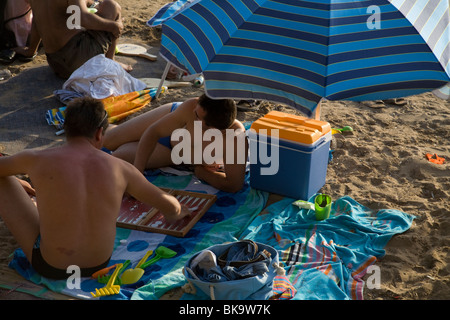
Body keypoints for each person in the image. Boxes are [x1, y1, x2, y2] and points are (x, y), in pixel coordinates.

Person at [0, 97, 190, 280]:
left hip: (51, 267)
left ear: (67, 130)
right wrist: (177, 211)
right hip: (98, 265)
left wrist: (19, 182)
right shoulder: (122, 168)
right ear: (100, 133)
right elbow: (171, 208)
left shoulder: (34, 159)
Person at [103, 94, 248, 193]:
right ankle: (112, 128)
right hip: (171, 118)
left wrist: (201, 173)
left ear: (212, 128)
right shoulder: (191, 107)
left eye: (197, 115)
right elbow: (153, 132)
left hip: (172, 152)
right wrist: (138, 176)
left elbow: (234, 185)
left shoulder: (235, 138)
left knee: (118, 156)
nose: (194, 111)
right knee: (108, 140)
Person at [13, 0, 130, 79]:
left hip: (56, 64)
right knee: (112, 6)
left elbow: (37, 22)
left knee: (74, 22)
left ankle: (108, 60)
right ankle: (111, 61)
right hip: (78, 62)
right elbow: (83, 19)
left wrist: (31, 50)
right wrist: (114, 26)